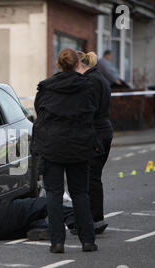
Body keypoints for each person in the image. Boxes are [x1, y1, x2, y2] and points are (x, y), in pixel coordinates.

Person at [32, 48, 100, 253]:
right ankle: (88, 241)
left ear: (58, 65)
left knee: (53, 194)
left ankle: (57, 242)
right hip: (79, 146)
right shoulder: (88, 87)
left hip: (52, 146)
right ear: (78, 64)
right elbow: (92, 113)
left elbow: (40, 113)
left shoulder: (46, 88)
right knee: (80, 194)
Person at [76, 51, 114, 234]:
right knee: (94, 176)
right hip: (105, 130)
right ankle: (95, 217)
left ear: (80, 66)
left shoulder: (90, 82)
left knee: (90, 178)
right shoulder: (100, 78)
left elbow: (89, 111)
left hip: (96, 133)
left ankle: (94, 219)